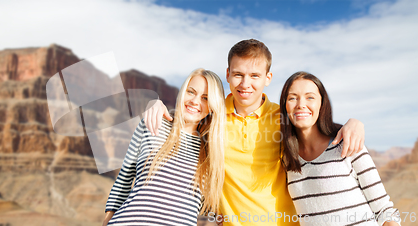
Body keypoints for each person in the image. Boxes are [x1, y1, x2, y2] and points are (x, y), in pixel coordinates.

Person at [144, 39, 366, 226]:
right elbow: (182, 121)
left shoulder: (284, 119)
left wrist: (354, 123)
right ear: (228, 75)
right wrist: (155, 104)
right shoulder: (212, 116)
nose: (245, 83)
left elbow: (318, 129)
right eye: (238, 74)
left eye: (255, 76)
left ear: (267, 78)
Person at [103, 68, 226, 225]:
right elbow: (123, 182)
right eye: (191, 92)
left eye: (205, 98)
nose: (195, 101)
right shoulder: (154, 124)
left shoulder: (212, 151)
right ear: (182, 92)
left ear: (213, 106)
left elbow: (217, 209)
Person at [280, 71, 400, 226]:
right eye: (292, 98)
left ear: (322, 103)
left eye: (310, 97)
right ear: (284, 105)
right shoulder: (286, 157)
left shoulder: (348, 143)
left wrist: (355, 122)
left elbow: (384, 210)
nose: (301, 104)